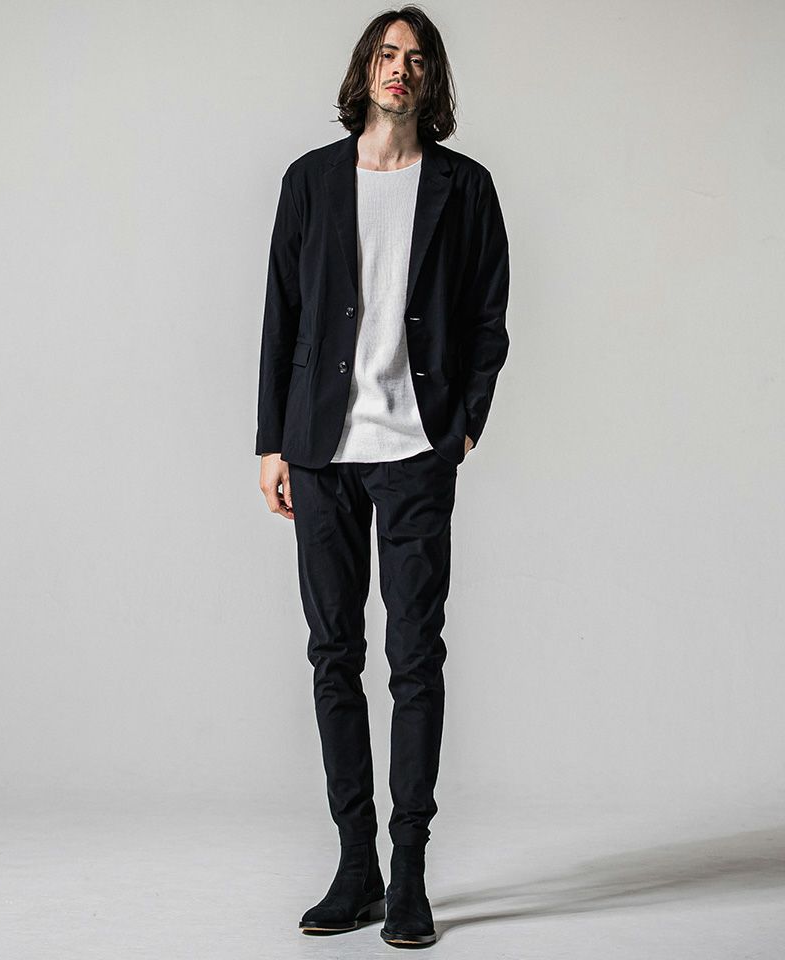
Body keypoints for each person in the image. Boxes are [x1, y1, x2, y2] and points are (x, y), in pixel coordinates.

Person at [255, 5, 509, 948]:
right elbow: (280, 315)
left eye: (416, 58)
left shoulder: (464, 187)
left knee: (414, 661)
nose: (399, 68)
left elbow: (490, 316)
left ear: (431, 80)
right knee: (333, 656)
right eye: (387, 53)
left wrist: (464, 427)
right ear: (365, 67)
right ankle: (354, 867)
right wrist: (272, 443)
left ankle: (409, 874)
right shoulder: (310, 181)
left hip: (415, 454)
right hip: (321, 452)